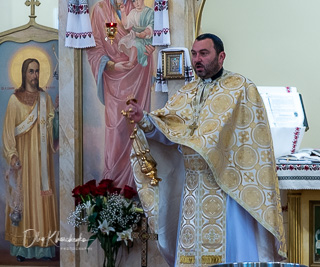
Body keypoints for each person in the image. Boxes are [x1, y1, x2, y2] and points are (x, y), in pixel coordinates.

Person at [125, 33, 286, 266]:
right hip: (192, 189)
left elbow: (253, 144)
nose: (197, 59)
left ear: (221, 57)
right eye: (194, 53)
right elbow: (168, 132)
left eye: (204, 53)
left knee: (232, 252)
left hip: (228, 187)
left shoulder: (241, 89)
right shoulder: (186, 92)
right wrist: (144, 119)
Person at [87, 0, 155, 188]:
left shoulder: (139, 6)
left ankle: (137, 188)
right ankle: (114, 188)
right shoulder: (100, 10)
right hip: (114, 79)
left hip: (138, 73)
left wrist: (150, 49)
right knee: (116, 131)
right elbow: (95, 48)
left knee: (137, 128)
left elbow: (149, 37)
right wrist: (111, 65)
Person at [2, 58, 59, 262]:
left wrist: (58, 114)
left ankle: (44, 247)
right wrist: (13, 155)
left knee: (41, 200)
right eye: (31, 71)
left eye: (37, 71)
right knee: (23, 201)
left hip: (42, 162)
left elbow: (53, 130)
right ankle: (22, 248)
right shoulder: (14, 100)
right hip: (23, 162)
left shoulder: (46, 99)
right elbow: (8, 132)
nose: (34, 75)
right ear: (24, 74)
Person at [118, 0, 154, 68]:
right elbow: (126, 24)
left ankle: (131, 63)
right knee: (122, 43)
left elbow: (152, 25)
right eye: (134, 1)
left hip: (145, 38)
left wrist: (144, 32)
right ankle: (135, 56)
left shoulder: (150, 12)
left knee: (135, 45)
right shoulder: (133, 12)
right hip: (134, 35)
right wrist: (123, 12)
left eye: (138, 0)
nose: (136, 3)